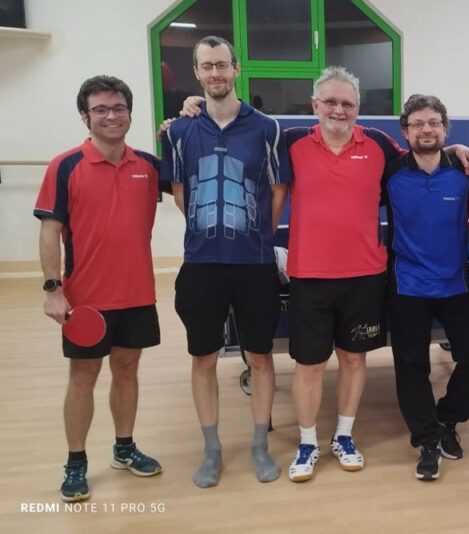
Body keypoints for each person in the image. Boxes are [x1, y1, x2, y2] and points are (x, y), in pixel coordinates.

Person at [273, 68, 469, 483]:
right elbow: (240, 132)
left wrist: (455, 148)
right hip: (313, 274)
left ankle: (346, 436)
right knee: (310, 365)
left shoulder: (380, 148)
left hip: (367, 276)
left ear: (358, 108)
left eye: (347, 103)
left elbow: (425, 153)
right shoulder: (290, 141)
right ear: (315, 105)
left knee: (355, 359)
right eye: (330, 101)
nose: (338, 109)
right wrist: (187, 116)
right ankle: (309, 443)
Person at [161, 35, 290, 488]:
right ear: (196, 73)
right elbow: (179, 190)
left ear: (236, 69)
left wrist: (258, 236)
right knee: (204, 358)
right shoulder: (179, 132)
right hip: (202, 264)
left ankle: (259, 445)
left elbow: (278, 190)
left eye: (222, 64)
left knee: (261, 356)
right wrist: (206, 231)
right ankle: (212, 448)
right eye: (207, 66)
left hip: (254, 263)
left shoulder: (267, 128)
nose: (215, 73)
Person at [36, 75, 163, 502]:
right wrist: (53, 289)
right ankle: (75, 462)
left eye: (119, 108)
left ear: (130, 113)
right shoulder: (65, 165)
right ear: (85, 116)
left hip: (137, 294)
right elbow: (50, 230)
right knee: (83, 376)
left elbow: (191, 170)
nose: (111, 116)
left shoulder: (148, 166)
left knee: (127, 371)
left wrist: (181, 124)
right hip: (87, 300)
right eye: (101, 109)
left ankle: (124, 449)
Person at [381, 94, 469, 481]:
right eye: (418, 124)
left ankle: (446, 419)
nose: (426, 130)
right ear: (405, 131)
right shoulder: (389, 173)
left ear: (445, 129)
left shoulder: (466, 172)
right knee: (412, 366)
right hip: (407, 284)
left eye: (434, 123)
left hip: (453, 283)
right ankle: (427, 439)